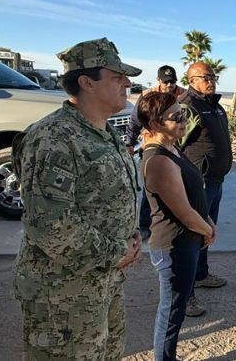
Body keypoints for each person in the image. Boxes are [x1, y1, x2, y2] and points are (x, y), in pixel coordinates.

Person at [11, 37, 142, 359]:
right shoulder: (53, 137)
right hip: (64, 290)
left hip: (103, 279)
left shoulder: (102, 130)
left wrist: (130, 238)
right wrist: (116, 250)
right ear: (87, 82)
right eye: (117, 77)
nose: (128, 83)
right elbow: (50, 223)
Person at [138, 92, 215, 359]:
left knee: (177, 309)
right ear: (156, 123)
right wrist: (207, 230)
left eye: (184, 115)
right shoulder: (158, 159)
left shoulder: (172, 147)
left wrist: (207, 220)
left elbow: (192, 197)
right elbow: (183, 213)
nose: (184, 121)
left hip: (187, 242)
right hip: (174, 247)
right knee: (171, 312)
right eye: (176, 117)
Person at [177, 62, 233, 316]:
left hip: (215, 181)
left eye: (213, 76)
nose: (211, 81)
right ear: (191, 80)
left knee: (207, 233)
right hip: (198, 183)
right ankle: (185, 295)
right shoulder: (189, 106)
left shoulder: (214, 105)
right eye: (205, 77)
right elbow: (175, 144)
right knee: (191, 237)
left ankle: (201, 275)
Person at [125, 65, 186, 236]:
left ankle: (177, 219)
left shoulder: (183, 94)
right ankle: (145, 225)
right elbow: (135, 121)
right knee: (151, 188)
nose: (170, 86)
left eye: (173, 82)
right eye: (166, 82)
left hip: (177, 146)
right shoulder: (147, 95)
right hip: (152, 145)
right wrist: (130, 142)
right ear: (158, 81)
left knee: (177, 185)